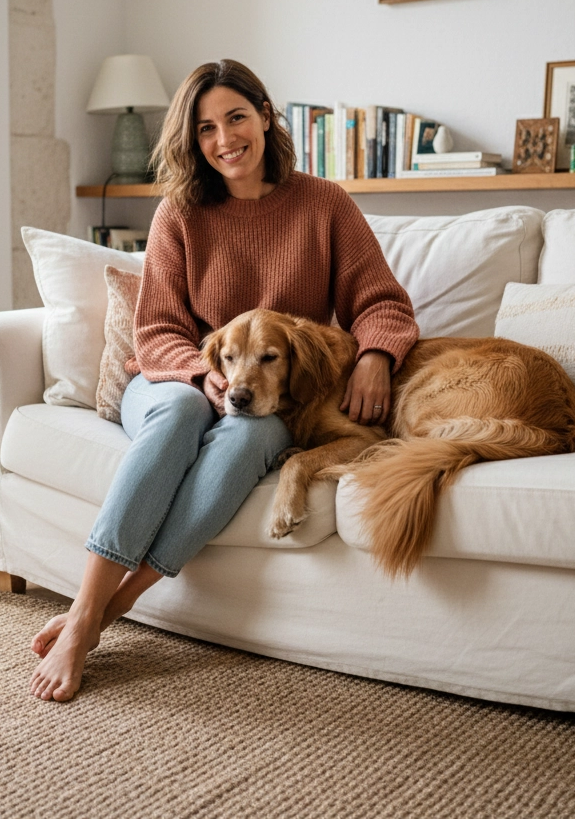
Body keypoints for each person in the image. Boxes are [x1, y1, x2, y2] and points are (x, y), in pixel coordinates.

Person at [29, 60, 419, 701]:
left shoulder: (324, 204)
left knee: (244, 438)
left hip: (264, 392)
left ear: (265, 115)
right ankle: (83, 610)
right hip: (174, 380)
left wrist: (377, 353)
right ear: (193, 139)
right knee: (184, 415)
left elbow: (381, 302)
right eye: (206, 127)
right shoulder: (178, 214)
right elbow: (155, 332)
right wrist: (201, 378)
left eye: (236, 117)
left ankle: (102, 616)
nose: (224, 138)